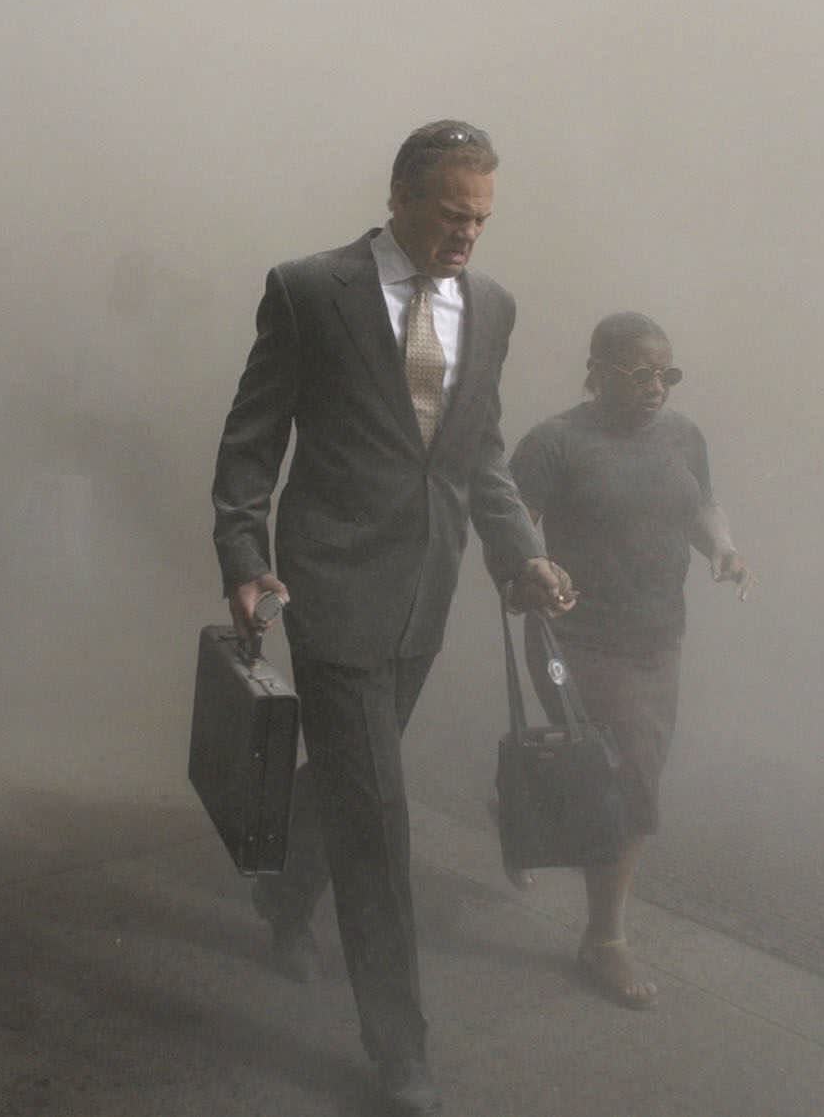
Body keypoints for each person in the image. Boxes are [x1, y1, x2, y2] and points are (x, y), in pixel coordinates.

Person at [211, 119, 573, 1116]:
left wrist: (520, 554)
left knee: (345, 775)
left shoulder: (491, 306)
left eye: (483, 218)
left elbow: (480, 450)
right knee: (378, 816)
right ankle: (398, 1049)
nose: (468, 234)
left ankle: (282, 896)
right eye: (453, 213)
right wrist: (243, 558)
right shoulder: (306, 289)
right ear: (401, 196)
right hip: (328, 586)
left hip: (428, 590)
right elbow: (252, 442)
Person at [508, 311, 752, 1010]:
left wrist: (724, 550)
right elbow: (510, 521)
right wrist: (533, 570)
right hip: (576, 638)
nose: (656, 387)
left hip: (656, 638)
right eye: (639, 372)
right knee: (624, 784)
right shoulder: (556, 442)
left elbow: (701, 506)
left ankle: (520, 803)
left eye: (666, 373)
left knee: (619, 775)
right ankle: (605, 941)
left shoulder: (682, 436)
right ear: (597, 371)